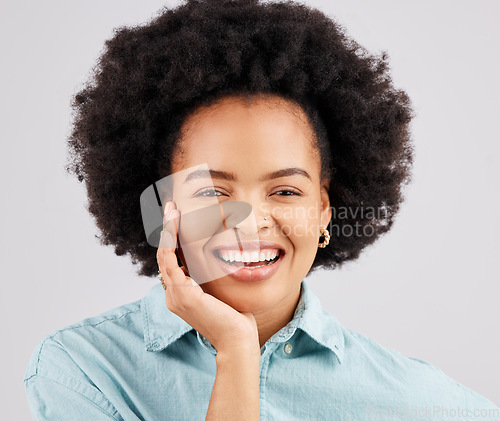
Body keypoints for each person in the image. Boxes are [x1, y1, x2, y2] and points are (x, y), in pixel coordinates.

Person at [24, 0, 500, 420]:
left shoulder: (412, 399)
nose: (250, 222)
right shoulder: (85, 370)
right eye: (212, 193)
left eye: (286, 192)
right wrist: (235, 352)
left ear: (324, 211)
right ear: (164, 209)